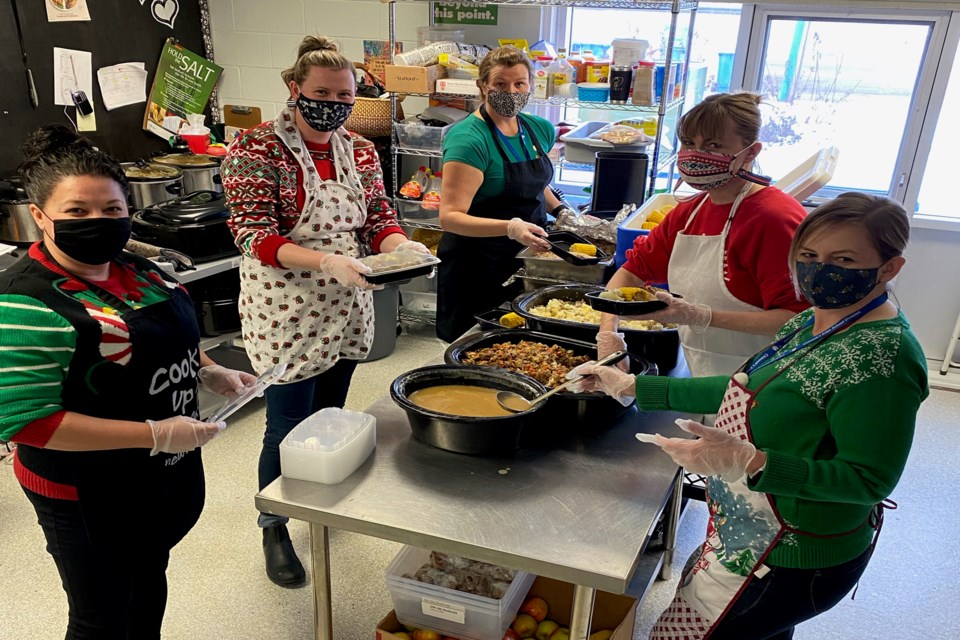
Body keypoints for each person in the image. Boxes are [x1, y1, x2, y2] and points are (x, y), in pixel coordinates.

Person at [573, 192, 929, 639]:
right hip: (751, 530)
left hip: (793, 556)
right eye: (809, 255)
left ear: (890, 267)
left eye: (844, 258)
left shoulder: (882, 360)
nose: (820, 269)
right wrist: (635, 387)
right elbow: (751, 387)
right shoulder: (818, 318)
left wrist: (753, 463)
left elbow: (867, 481)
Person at [0, 125, 255, 638]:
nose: (98, 223)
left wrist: (207, 367)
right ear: (40, 216)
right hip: (85, 494)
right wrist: (155, 435)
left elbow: (162, 336)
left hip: (157, 478)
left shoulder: (139, 270)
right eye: (77, 212)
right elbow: (29, 423)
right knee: (101, 615)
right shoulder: (21, 302)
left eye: (112, 210)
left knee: (147, 585)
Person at [221, 35, 429, 588]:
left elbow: (377, 219)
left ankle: (320, 499)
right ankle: (274, 524)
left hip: (345, 303)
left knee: (331, 413)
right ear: (295, 89)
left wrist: (398, 246)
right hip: (285, 307)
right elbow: (252, 236)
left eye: (345, 95)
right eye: (322, 93)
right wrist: (324, 261)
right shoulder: (255, 150)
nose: (334, 104)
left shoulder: (359, 149)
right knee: (287, 424)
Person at [599, 92, 809, 377]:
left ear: (751, 152)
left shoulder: (774, 219)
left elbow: (800, 319)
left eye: (713, 145)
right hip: (705, 374)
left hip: (766, 378)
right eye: (689, 143)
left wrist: (701, 316)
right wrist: (609, 333)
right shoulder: (690, 211)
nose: (696, 154)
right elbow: (632, 272)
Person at [436, 45, 570, 342]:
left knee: (525, 344)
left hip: (526, 257)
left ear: (530, 86)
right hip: (478, 265)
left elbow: (533, 184)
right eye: (500, 84)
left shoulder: (539, 129)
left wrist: (561, 211)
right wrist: (510, 227)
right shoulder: (469, 140)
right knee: (477, 347)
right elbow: (450, 217)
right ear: (482, 86)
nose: (511, 92)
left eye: (519, 84)